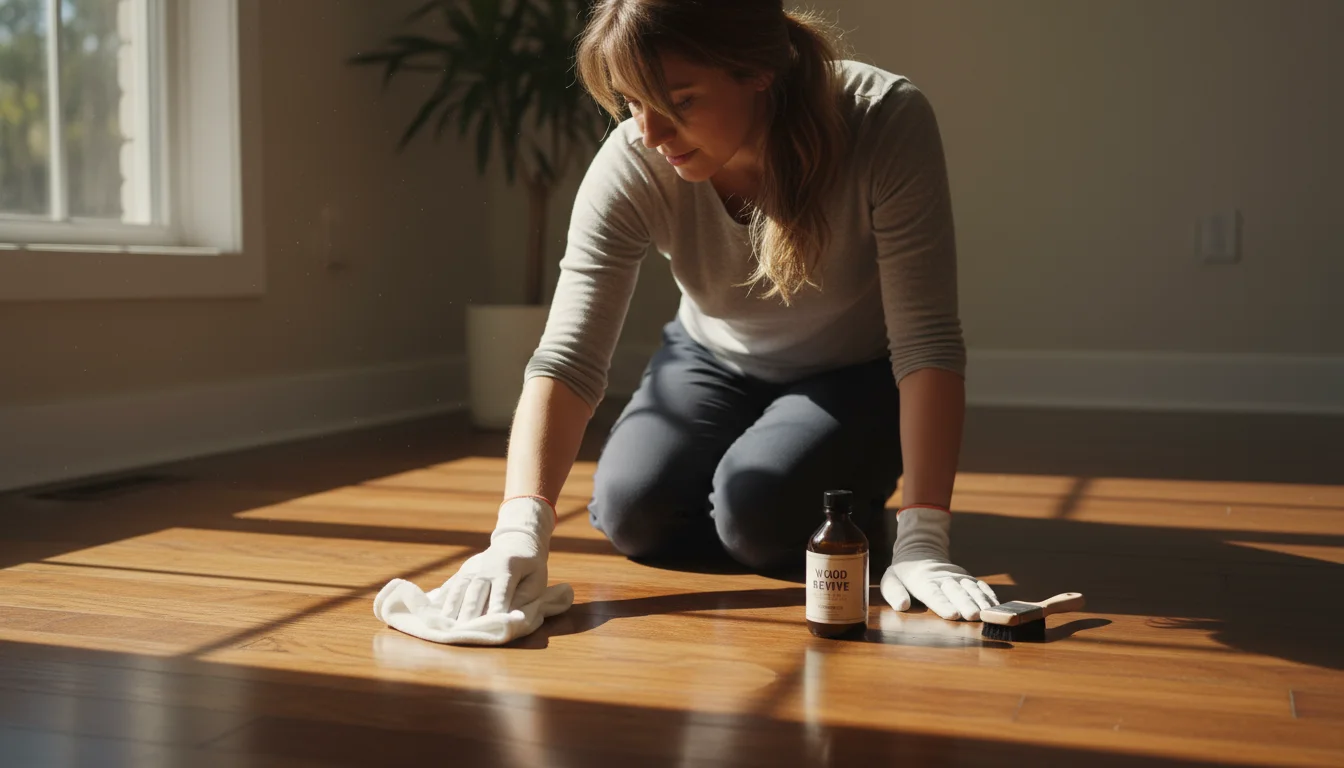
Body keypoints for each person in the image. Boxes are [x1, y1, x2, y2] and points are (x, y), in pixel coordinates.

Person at [438, 0, 1000, 628]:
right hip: (711, 355)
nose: (648, 132)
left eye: (677, 102)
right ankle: (779, 495)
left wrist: (925, 536)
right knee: (633, 511)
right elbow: (568, 357)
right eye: (630, 101)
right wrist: (518, 529)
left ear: (757, 71)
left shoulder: (883, 120)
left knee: (757, 514)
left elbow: (926, 341)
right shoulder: (636, 158)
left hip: (855, 372)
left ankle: (823, 510)